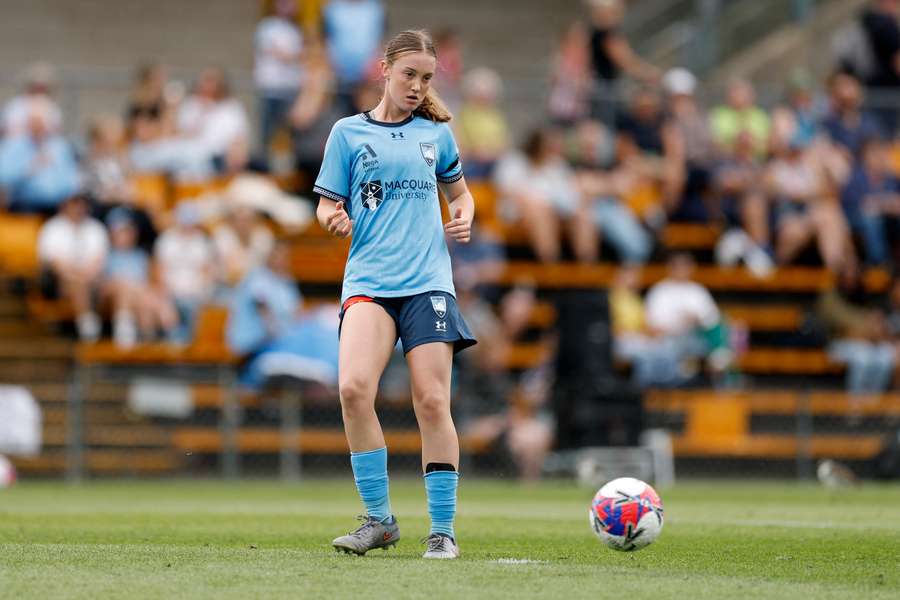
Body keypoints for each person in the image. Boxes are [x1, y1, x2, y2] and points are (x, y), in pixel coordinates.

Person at [313, 29, 476, 559]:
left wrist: (463, 216)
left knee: (431, 400)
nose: (416, 85)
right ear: (384, 69)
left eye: (426, 77)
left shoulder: (437, 134)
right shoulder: (346, 133)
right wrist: (332, 218)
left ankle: (443, 531)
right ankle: (379, 520)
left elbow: (461, 193)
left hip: (428, 282)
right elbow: (325, 204)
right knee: (353, 389)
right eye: (409, 74)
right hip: (369, 282)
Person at [36, 195, 108, 341]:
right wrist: (76, 275)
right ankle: (87, 325)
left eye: (81, 204)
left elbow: (98, 261)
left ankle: (91, 324)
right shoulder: (52, 228)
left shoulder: (96, 228)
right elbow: (54, 263)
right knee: (77, 284)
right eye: (74, 204)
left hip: (92, 280)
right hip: (57, 281)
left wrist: (85, 275)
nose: (78, 208)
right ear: (65, 206)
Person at [0, 98, 80, 215]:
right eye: (34, 121)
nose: (38, 126)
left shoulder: (60, 147)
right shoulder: (14, 145)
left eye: (41, 121)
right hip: (25, 205)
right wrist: (28, 169)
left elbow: (71, 179)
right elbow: (3, 176)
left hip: (57, 206)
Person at [254, 0, 305, 160]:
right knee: (267, 133)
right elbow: (279, 53)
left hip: (289, 89)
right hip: (271, 88)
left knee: (290, 134)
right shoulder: (267, 27)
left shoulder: (295, 30)